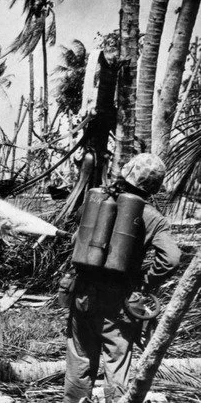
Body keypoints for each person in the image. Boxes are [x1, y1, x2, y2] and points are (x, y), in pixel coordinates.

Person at [63, 153, 181, 403]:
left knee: (79, 363)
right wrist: (145, 283)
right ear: (154, 186)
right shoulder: (152, 217)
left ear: (126, 172)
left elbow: (77, 240)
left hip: (83, 294)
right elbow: (171, 258)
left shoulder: (98, 200)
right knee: (116, 367)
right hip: (118, 302)